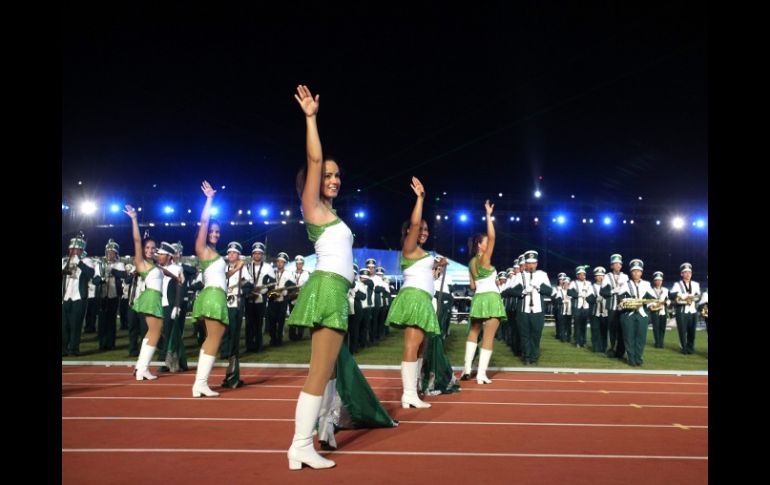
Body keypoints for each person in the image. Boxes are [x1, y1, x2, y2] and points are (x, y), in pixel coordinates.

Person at [190, 181, 229, 397]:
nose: (214, 233)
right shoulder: (202, 249)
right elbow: (204, 220)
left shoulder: (214, 254)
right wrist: (210, 199)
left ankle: (200, 383)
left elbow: (219, 277)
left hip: (214, 293)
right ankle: (200, 383)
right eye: (212, 231)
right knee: (214, 338)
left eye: (217, 231)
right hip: (213, 296)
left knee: (211, 338)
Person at [462, 200, 506, 384]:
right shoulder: (484, 258)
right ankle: (480, 374)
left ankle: (466, 369)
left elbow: (472, 286)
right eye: (485, 242)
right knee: (489, 336)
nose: (488, 243)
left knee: (473, 331)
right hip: (491, 297)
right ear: (480, 245)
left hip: (478, 297)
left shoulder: (471, 262)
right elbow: (493, 237)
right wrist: (488, 215)